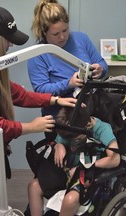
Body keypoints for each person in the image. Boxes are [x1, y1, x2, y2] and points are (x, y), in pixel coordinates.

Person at [0, 5, 78, 216]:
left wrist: (55, 99)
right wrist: (30, 127)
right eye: (7, 39)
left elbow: (17, 94)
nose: (10, 44)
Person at [28, 0, 108, 141]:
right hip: (59, 121)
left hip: (90, 114)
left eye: (65, 30)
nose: (62, 37)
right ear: (43, 32)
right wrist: (69, 83)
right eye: (56, 34)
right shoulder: (37, 54)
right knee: (63, 161)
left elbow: (101, 63)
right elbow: (40, 91)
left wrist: (100, 69)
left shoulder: (81, 39)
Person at [27, 106, 120, 216]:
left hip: (87, 174)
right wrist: (58, 146)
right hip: (66, 170)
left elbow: (115, 159)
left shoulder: (103, 130)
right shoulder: (68, 126)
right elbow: (58, 141)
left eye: (75, 139)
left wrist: (86, 167)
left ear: (87, 126)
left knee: (70, 200)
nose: (72, 143)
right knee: (34, 186)